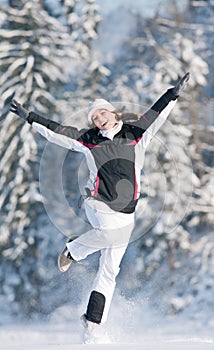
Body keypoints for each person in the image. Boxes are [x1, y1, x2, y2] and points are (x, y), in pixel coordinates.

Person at [10, 72, 190, 343]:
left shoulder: (137, 134)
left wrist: (172, 93)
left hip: (126, 213)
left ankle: (92, 324)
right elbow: (57, 132)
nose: (97, 119)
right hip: (98, 204)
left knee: (110, 271)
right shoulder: (89, 139)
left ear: (113, 113)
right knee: (108, 234)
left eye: (101, 114)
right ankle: (74, 249)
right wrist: (31, 117)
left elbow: (158, 113)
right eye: (94, 117)